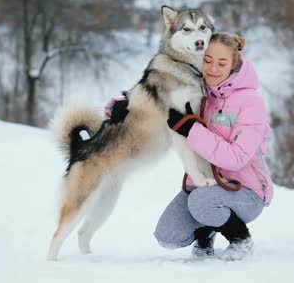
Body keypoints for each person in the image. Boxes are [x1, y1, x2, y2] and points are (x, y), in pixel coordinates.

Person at [105, 33, 274, 260]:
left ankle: (240, 238)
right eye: (208, 60)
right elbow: (155, 94)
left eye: (222, 63)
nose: (213, 68)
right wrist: (123, 105)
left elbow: (237, 157)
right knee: (168, 235)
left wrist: (191, 130)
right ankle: (208, 229)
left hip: (245, 192)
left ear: (234, 63)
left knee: (202, 202)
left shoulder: (250, 102)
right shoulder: (195, 89)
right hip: (203, 186)